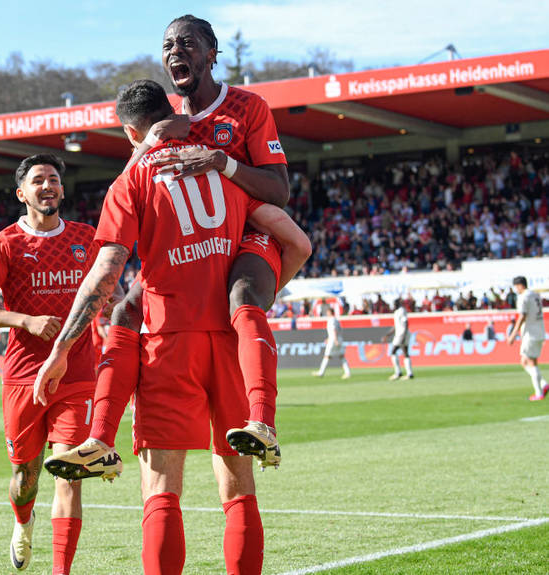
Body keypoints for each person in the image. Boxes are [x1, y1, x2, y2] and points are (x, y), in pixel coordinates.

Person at [35, 79, 303, 575]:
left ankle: (100, 439)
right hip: (229, 342)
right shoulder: (224, 166)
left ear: (131, 132)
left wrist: (61, 351)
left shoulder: (130, 181)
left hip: (167, 343)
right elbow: (293, 237)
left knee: (161, 493)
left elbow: (105, 274)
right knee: (239, 490)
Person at [46, 14, 312, 477]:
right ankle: (99, 440)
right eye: (168, 45)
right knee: (127, 308)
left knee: (243, 294)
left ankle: (264, 423)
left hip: (252, 226)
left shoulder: (248, 108)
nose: (175, 52)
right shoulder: (169, 120)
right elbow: (144, 168)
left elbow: (279, 190)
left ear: (212, 52)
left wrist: (224, 163)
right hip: (196, 246)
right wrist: (145, 144)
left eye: (187, 43)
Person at [0, 154, 100, 574]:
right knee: (26, 478)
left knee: (69, 473)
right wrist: (24, 320)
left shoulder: (86, 237)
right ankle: (23, 523)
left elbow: (106, 293)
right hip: (24, 376)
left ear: (62, 189)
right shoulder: (6, 243)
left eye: (54, 179)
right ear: (22, 193)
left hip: (76, 376)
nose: (48, 186)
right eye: (38, 180)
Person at [507, 276, 547, 400]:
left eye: (516, 287)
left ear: (520, 285)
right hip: (540, 331)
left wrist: (513, 334)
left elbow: (522, 316)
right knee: (532, 361)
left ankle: (539, 392)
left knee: (526, 362)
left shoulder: (523, 296)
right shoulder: (535, 295)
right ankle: (543, 385)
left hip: (530, 333)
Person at [312, 307, 350, 379]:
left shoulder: (331, 320)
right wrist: (329, 338)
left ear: (330, 312)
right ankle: (347, 373)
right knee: (341, 356)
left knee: (327, 356)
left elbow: (334, 330)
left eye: (327, 312)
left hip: (334, 340)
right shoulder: (336, 320)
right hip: (337, 338)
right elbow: (338, 330)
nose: (326, 313)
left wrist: (334, 339)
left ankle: (321, 372)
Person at [384, 301, 414, 380]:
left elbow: (406, 322)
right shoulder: (397, 312)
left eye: (394, 304)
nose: (393, 306)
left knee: (393, 351)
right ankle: (409, 373)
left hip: (402, 334)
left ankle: (398, 372)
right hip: (401, 333)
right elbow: (396, 326)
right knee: (405, 352)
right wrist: (388, 335)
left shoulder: (401, 311)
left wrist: (404, 335)